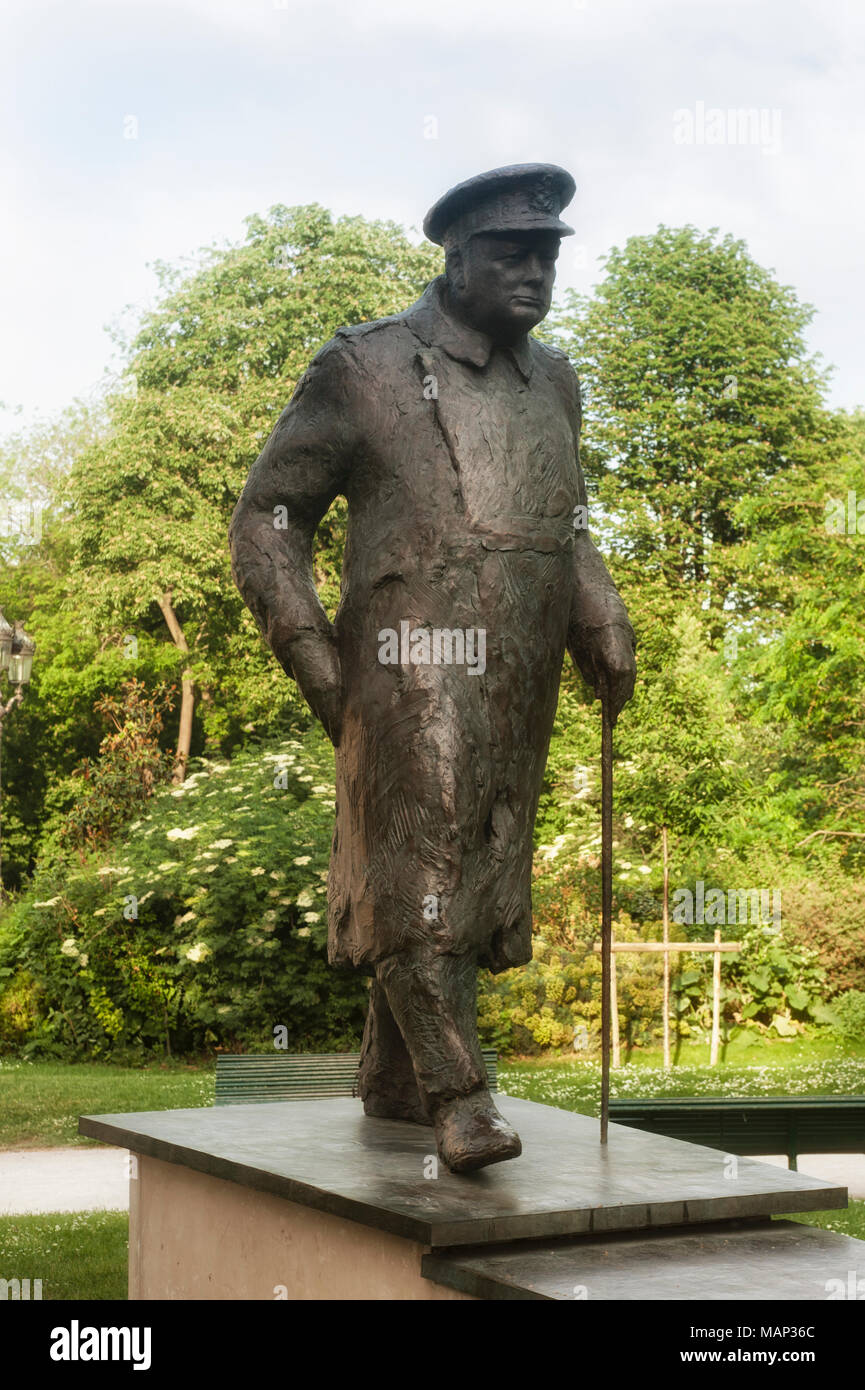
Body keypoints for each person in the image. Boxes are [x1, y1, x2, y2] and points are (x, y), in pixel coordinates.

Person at [229, 164, 636, 1172]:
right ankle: (459, 1095)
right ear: (453, 258)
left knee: (484, 865)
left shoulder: (555, 381)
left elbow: (564, 522)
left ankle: (394, 1075)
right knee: (425, 855)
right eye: (511, 254)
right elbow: (267, 520)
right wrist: (319, 661)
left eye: (547, 254)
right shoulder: (364, 366)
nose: (535, 273)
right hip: (407, 657)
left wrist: (601, 613)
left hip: (522, 665)